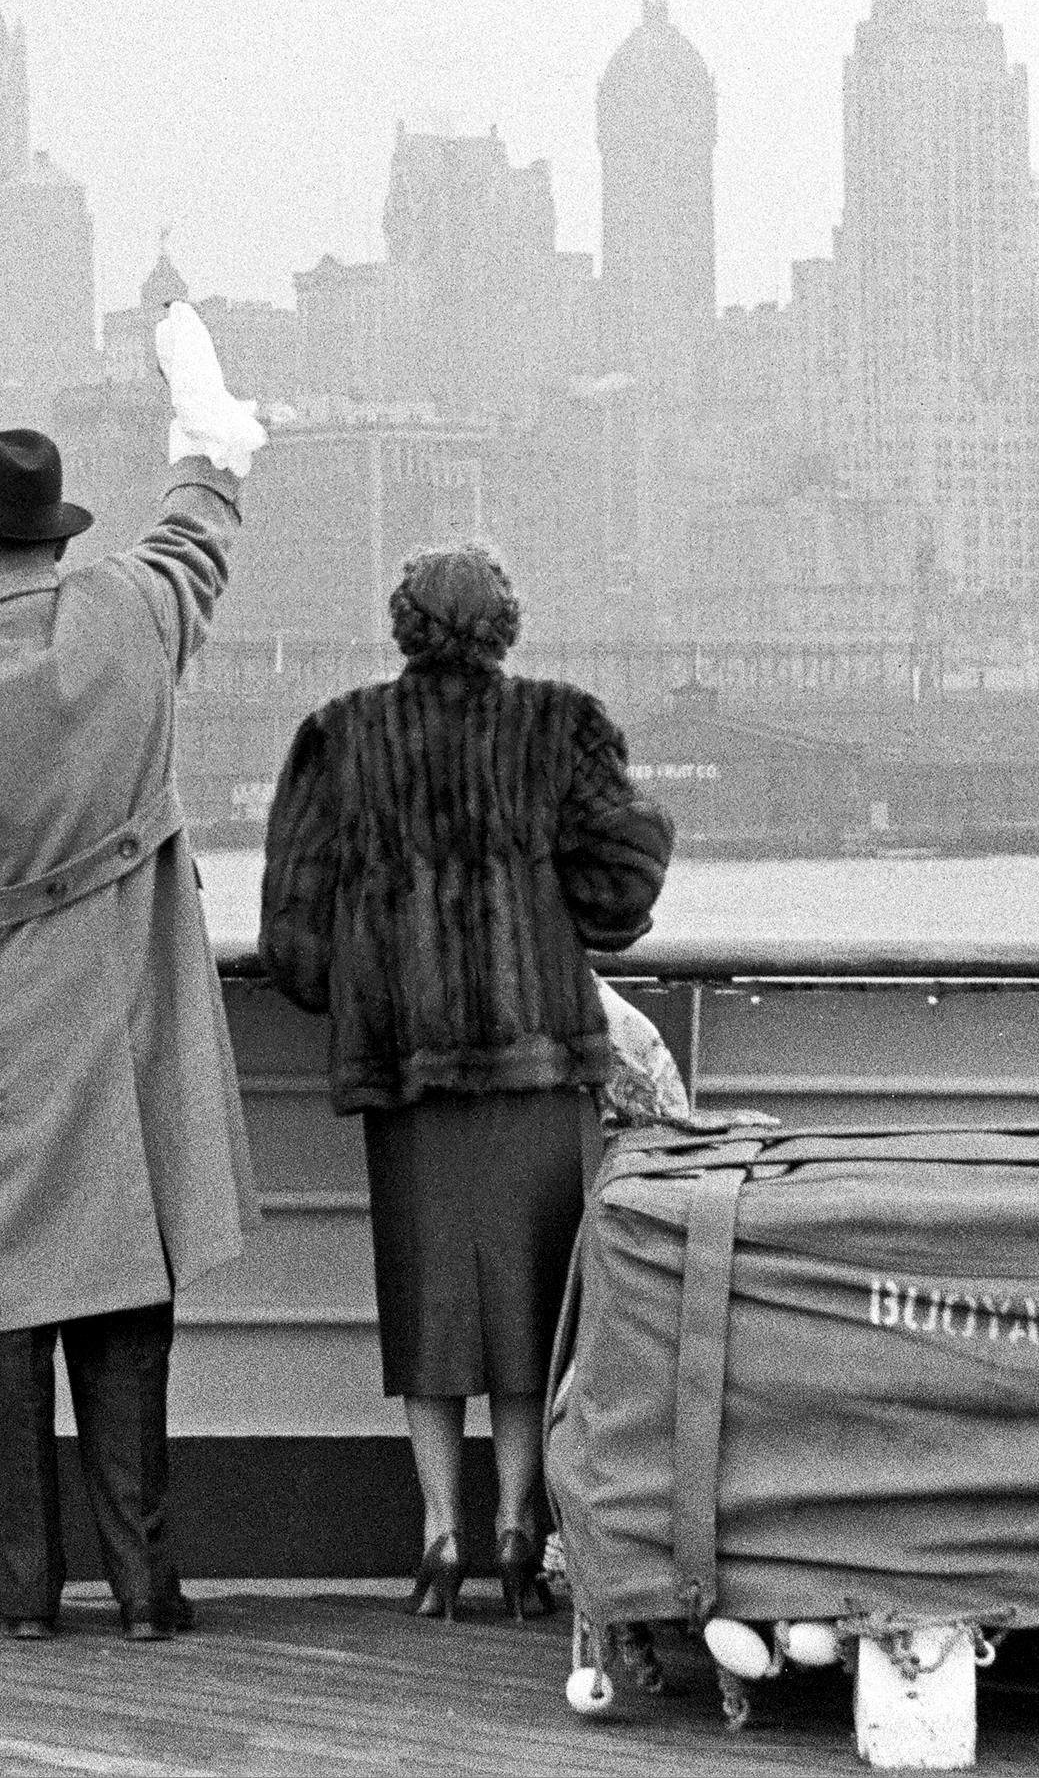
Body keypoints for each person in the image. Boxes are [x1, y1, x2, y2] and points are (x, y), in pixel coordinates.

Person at [0, 303, 267, 1643]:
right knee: (127, 1295)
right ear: (53, 532)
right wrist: (206, 435)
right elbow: (198, 534)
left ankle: (22, 1593)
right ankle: (147, 1588)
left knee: (11, 1310)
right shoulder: (131, 612)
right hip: (130, 998)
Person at [256, 540, 673, 1622]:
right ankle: (519, 1528)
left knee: (429, 1309)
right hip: (536, 1066)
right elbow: (622, 890)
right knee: (536, 1305)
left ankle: (439, 1537)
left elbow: (293, 940)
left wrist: (371, 975)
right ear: (506, 625)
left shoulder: (339, 737)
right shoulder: (560, 725)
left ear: (401, 625)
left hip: (410, 1074)